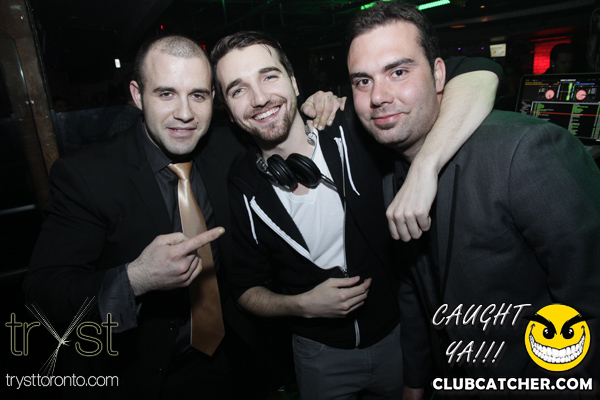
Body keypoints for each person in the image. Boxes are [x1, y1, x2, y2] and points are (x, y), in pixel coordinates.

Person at [23, 34, 343, 400]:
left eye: (198, 95)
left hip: (234, 360)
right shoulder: (87, 177)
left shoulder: (227, 147)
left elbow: (273, 117)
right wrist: (135, 278)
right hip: (139, 374)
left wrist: (323, 105)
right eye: (166, 94)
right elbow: (42, 293)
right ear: (137, 95)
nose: (185, 114)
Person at [211, 30, 500, 399]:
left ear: (294, 83)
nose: (260, 98)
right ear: (228, 111)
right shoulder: (241, 184)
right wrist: (301, 306)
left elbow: (476, 71)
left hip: (398, 338)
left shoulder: (352, 127)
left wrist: (425, 166)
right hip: (317, 356)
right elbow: (244, 289)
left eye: (269, 76)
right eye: (238, 90)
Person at [347, 2, 600, 398]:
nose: (378, 96)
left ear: (439, 74)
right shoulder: (391, 176)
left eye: (398, 72)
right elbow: (415, 288)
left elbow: (590, 303)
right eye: (363, 81)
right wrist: (415, 384)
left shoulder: (526, 152)